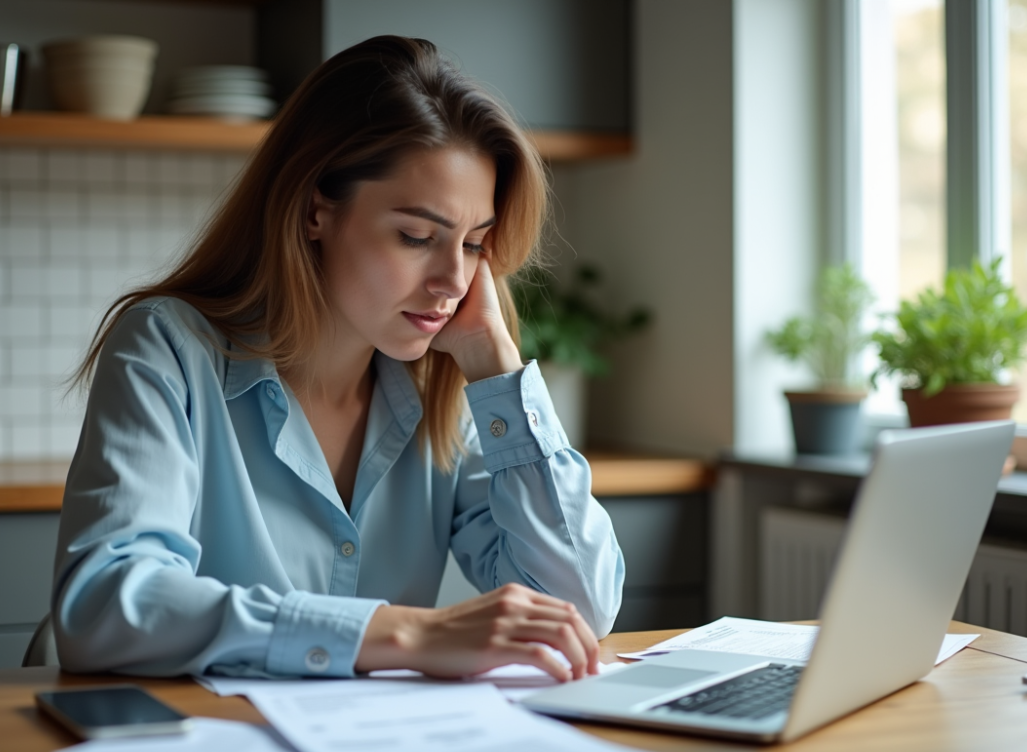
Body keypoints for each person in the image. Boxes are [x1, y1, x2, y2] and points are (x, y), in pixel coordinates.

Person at [52, 35, 624, 683]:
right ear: (315, 210)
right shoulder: (169, 349)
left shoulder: (448, 391)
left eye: (473, 244)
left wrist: (496, 366)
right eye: (416, 236)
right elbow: (104, 607)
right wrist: (405, 631)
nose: (452, 280)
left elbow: (580, 607)